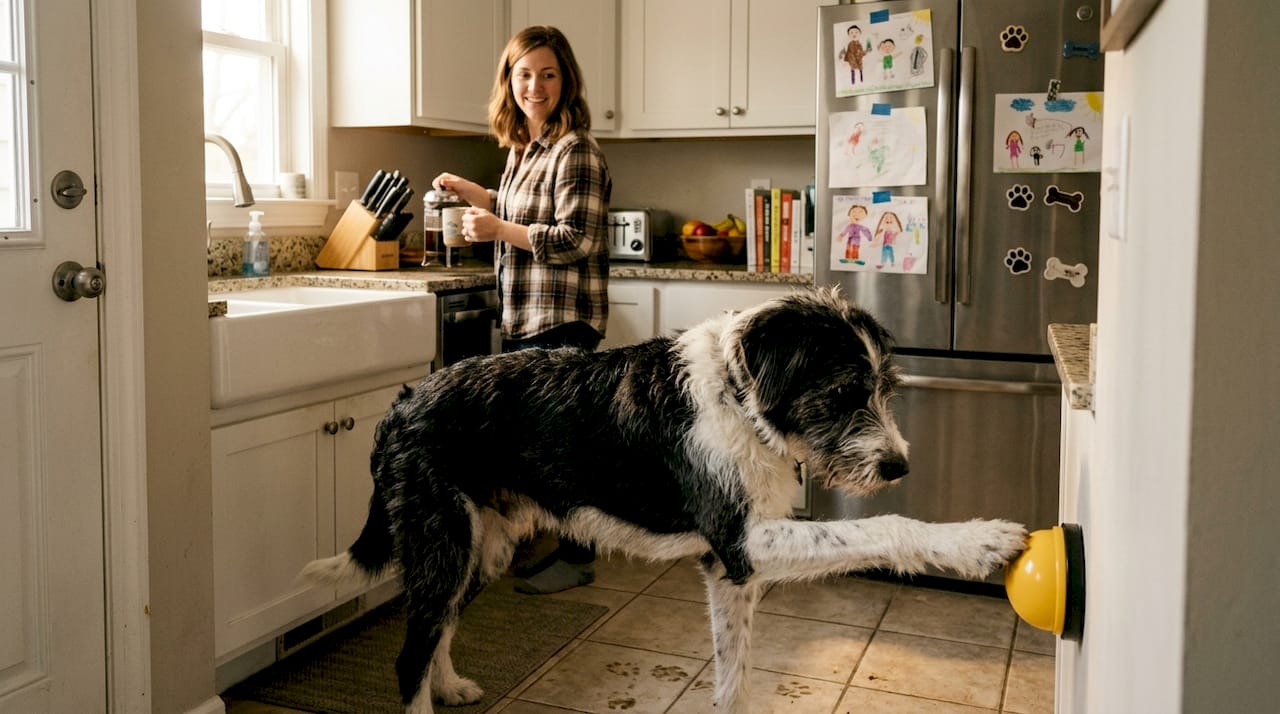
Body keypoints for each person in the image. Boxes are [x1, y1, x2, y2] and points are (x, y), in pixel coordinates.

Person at [431, 25, 611, 595]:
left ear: (566, 81)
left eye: (548, 74)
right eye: (524, 74)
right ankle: (561, 549)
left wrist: (497, 228)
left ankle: (578, 558)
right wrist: (478, 195)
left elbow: (576, 238)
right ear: (509, 81)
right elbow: (522, 209)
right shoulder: (522, 148)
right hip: (527, 318)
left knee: (568, 451)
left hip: (563, 320)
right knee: (550, 448)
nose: (535, 86)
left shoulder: (576, 149)